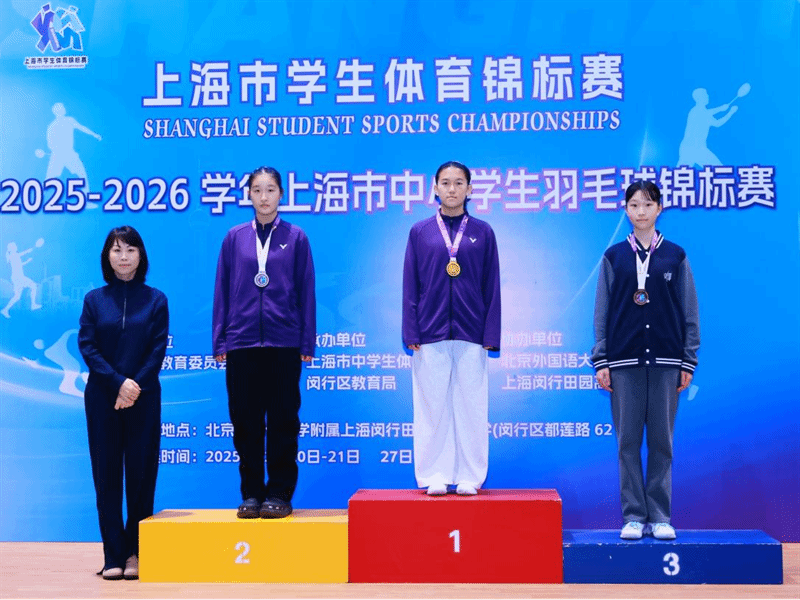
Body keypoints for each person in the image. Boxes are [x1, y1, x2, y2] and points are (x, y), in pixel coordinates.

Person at [592, 180, 700, 541]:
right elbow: (602, 313)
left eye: (648, 205)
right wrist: (601, 360)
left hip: (667, 362)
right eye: (635, 205)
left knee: (661, 442)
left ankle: (660, 515)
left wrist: (687, 361)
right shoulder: (613, 257)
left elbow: (689, 312)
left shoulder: (675, 256)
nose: (641, 211)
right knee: (627, 443)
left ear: (659, 209)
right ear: (626, 210)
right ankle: (634, 516)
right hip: (623, 363)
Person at [213, 166, 316, 519]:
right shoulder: (234, 238)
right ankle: (252, 493)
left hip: (284, 343)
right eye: (257, 190)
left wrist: (306, 341)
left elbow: (306, 291)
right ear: (249, 195)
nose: (264, 197)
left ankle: (280, 493)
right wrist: (221, 339)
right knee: (246, 422)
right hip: (242, 343)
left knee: (284, 421)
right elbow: (222, 290)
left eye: (270, 189)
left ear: (281, 194)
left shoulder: (296, 237)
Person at [402, 160, 501, 496]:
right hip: (429, 331)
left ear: (470, 189)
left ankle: (471, 475)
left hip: (472, 331)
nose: (452, 189)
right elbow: (410, 284)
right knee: (431, 407)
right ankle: (434, 474)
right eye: (445, 182)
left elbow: (492, 285)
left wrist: (491, 334)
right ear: (435, 188)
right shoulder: (420, 232)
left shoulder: (483, 232)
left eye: (459, 183)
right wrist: (411, 331)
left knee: (471, 406)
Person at [78, 226, 169, 580]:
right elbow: (88, 347)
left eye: (131, 249)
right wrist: (117, 383)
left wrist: (133, 386)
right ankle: (112, 555)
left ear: (141, 255)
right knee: (107, 476)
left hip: (144, 398)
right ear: (107, 257)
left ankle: (135, 553)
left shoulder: (156, 300)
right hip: (103, 398)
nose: (124, 256)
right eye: (116, 250)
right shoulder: (94, 300)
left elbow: (157, 350)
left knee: (141, 476)